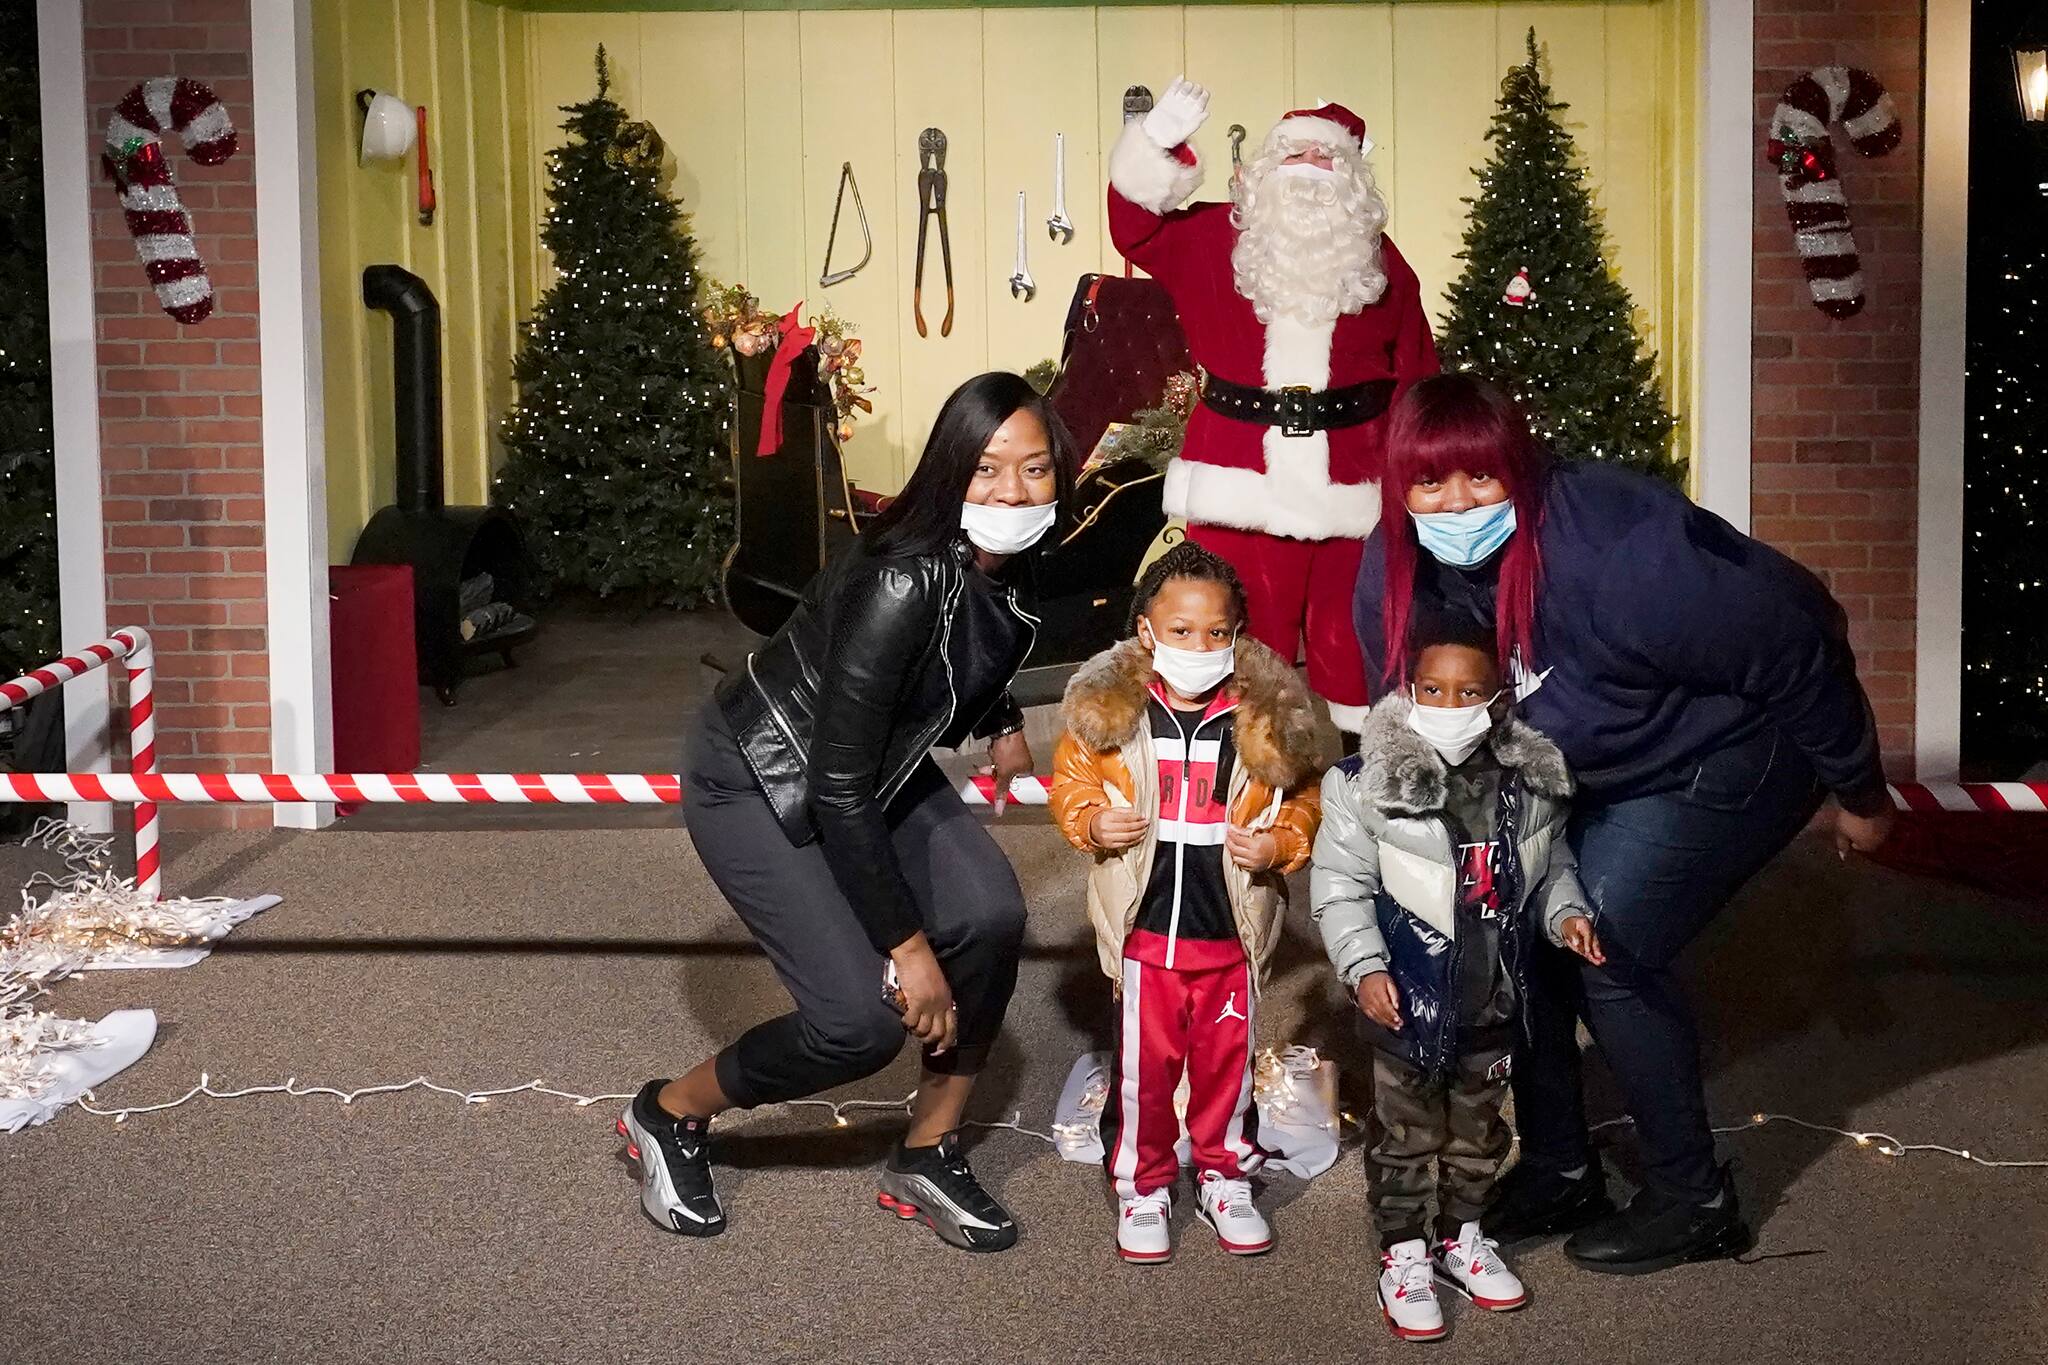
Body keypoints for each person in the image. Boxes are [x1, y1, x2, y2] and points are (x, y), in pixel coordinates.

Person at [1354, 373, 1895, 1275]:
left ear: (1518, 470)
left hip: (1728, 746)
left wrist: (1861, 789)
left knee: (1604, 935)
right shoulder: (1395, 569)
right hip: (1584, 766)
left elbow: (1798, 640)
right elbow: (1417, 722)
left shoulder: (1622, 550)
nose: (1456, 504)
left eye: (1481, 479)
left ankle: (1696, 1198)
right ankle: (1565, 1168)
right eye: (1431, 484)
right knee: (1513, 926)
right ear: (1400, 489)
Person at [622, 372, 1072, 1253]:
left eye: (1035, 469)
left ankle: (928, 1149)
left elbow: (965, 648)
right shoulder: (902, 580)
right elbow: (837, 788)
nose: (1013, 492)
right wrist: (908, 949)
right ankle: (667, 1112)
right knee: (857, 1022)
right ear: (949, 473)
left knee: (988, 915)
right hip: (760, 769)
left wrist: (1003, 718)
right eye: (986, 470)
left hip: (868, 756)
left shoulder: (1014, 559)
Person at [1107, 76, 1439, 735]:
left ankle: (1360, 779)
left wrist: (1416, 482)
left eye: (1328, 159)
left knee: (1357, 644)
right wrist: (1153, 141)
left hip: (1354, 484)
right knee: (1239, 644)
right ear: (1264, 170)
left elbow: (1418, 378)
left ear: (1353, 182)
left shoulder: (1383, 267)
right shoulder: (1209, 238)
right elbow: (1135, 231)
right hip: (1239, 480)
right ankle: (1233, 781)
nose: (1311, 171)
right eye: (1296, 155)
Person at [1312, 612, 1604, 1341]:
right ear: (1408, 690)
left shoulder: (1531, 785)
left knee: (1478, 1130)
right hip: (1405, 1001)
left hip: (1494, 997)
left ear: (1499, 695)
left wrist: (1566, 915)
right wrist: (1364, 965)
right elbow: (1340, 886)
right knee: (1406, 1132)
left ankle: (1461, 1236)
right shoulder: (1362, 786)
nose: (1449, 706)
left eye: (1468, 690)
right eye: (1433, 690)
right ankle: (1404, 1252)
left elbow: (1552, 867)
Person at [1047, 542, 1323, 1264]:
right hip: (1144, 937)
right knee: (1144, 1070)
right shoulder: (1116, 714)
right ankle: (1144, 1181)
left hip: (1231, 931)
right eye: (1180, 631)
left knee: (1226, 1065)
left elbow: (1303, 797)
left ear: (1237, 635)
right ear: (1146, 632)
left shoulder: (1266, 718)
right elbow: (1071, 779)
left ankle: (1225, 1173)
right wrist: (1089, 821)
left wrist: (1282, 844)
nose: (1199, 646)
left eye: (1216, 633)